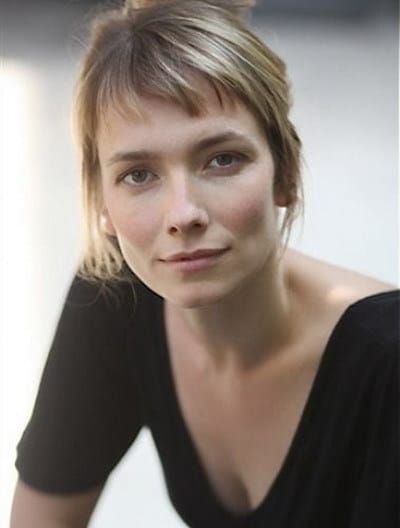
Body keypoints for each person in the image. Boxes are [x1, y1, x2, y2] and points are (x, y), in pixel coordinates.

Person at [10, 0, 399, 526]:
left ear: (285, 173)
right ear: (102, 203)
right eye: (138, 174)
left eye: (222, 159)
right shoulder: (117, 293)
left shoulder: (386, 362)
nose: (183, 214)